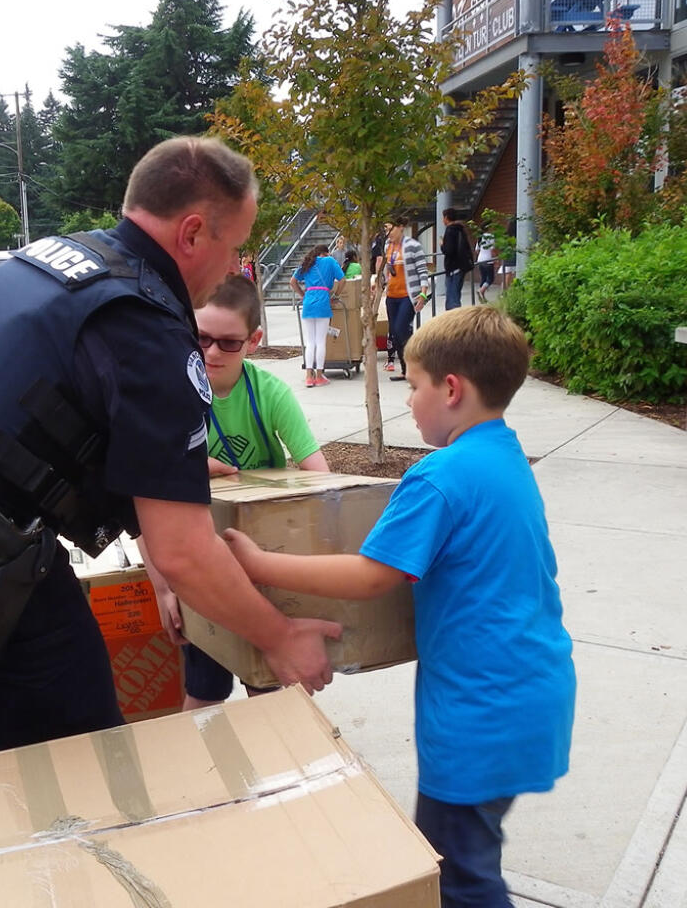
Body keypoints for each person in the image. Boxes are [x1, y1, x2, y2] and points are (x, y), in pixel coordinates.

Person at [0, 136, 341, 761]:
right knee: (81, 765)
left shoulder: (60, 259)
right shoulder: (149, 330)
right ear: (192, 233)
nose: (234, 267)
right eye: (235, 246)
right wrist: (279, 639)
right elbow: (185, 551)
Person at [223, 305, 576, 908]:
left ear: (452, 389)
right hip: (531, 688)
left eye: (412, 387)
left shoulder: (440, 475)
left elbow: (369, 575)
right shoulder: (505, 457)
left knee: (460, 878)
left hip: (477, 707)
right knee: (471, 858)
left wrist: (256, 564)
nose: (408, 401)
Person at [144, 274, 331, 711]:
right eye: (201, 337)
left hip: (263, 571)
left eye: (228, 342)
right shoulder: (168, 395)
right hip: (198, 574)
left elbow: (320, 481)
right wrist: (163, 588)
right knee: (203, 691)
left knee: (271, 694)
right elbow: (145, 501)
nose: (211, 352)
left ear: (255, 339)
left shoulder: (270, 394)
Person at [373, 220, 428, 382]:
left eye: (390, 229)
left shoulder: (412, 245)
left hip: (408, 295)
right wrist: (379, 282)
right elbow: (387, 269)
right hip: (392, 295)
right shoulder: (387, 247)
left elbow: (422, 271)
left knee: (400, 329)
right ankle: (406, 370)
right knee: (397, 334)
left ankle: (416, 366)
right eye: (386, 229)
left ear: (401, 227)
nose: (388, 233)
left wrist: (423, 293)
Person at [290, 243, 345, 387]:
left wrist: (303, 294)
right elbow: (342, 280)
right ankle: (319, 376)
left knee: (310, 341)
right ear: (326, 253)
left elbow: (293, 281)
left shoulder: (308, 262)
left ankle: (309, 376)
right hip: (323, 301)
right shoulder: (330, 261)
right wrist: (336, 295)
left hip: (308, 301)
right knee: (320, 341)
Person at [440, 207, 475, 311]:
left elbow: (449, 250)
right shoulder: (460, 229)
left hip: (453, 268)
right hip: (461, 266)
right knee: (456, 295)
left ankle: (454, 322)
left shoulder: (450, 230)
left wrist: (442, 245)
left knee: (452, 298)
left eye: (443, 217)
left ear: (446, 218)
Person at [476, 230, 497, 302]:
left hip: (480, 259)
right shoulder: (490, 236)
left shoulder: (480, 237)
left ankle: (482, 296)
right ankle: (481, 291)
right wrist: (495, 260)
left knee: (483, 278)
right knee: (491, 278)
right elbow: (492, 250)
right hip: (488, 259)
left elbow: (477, 250)